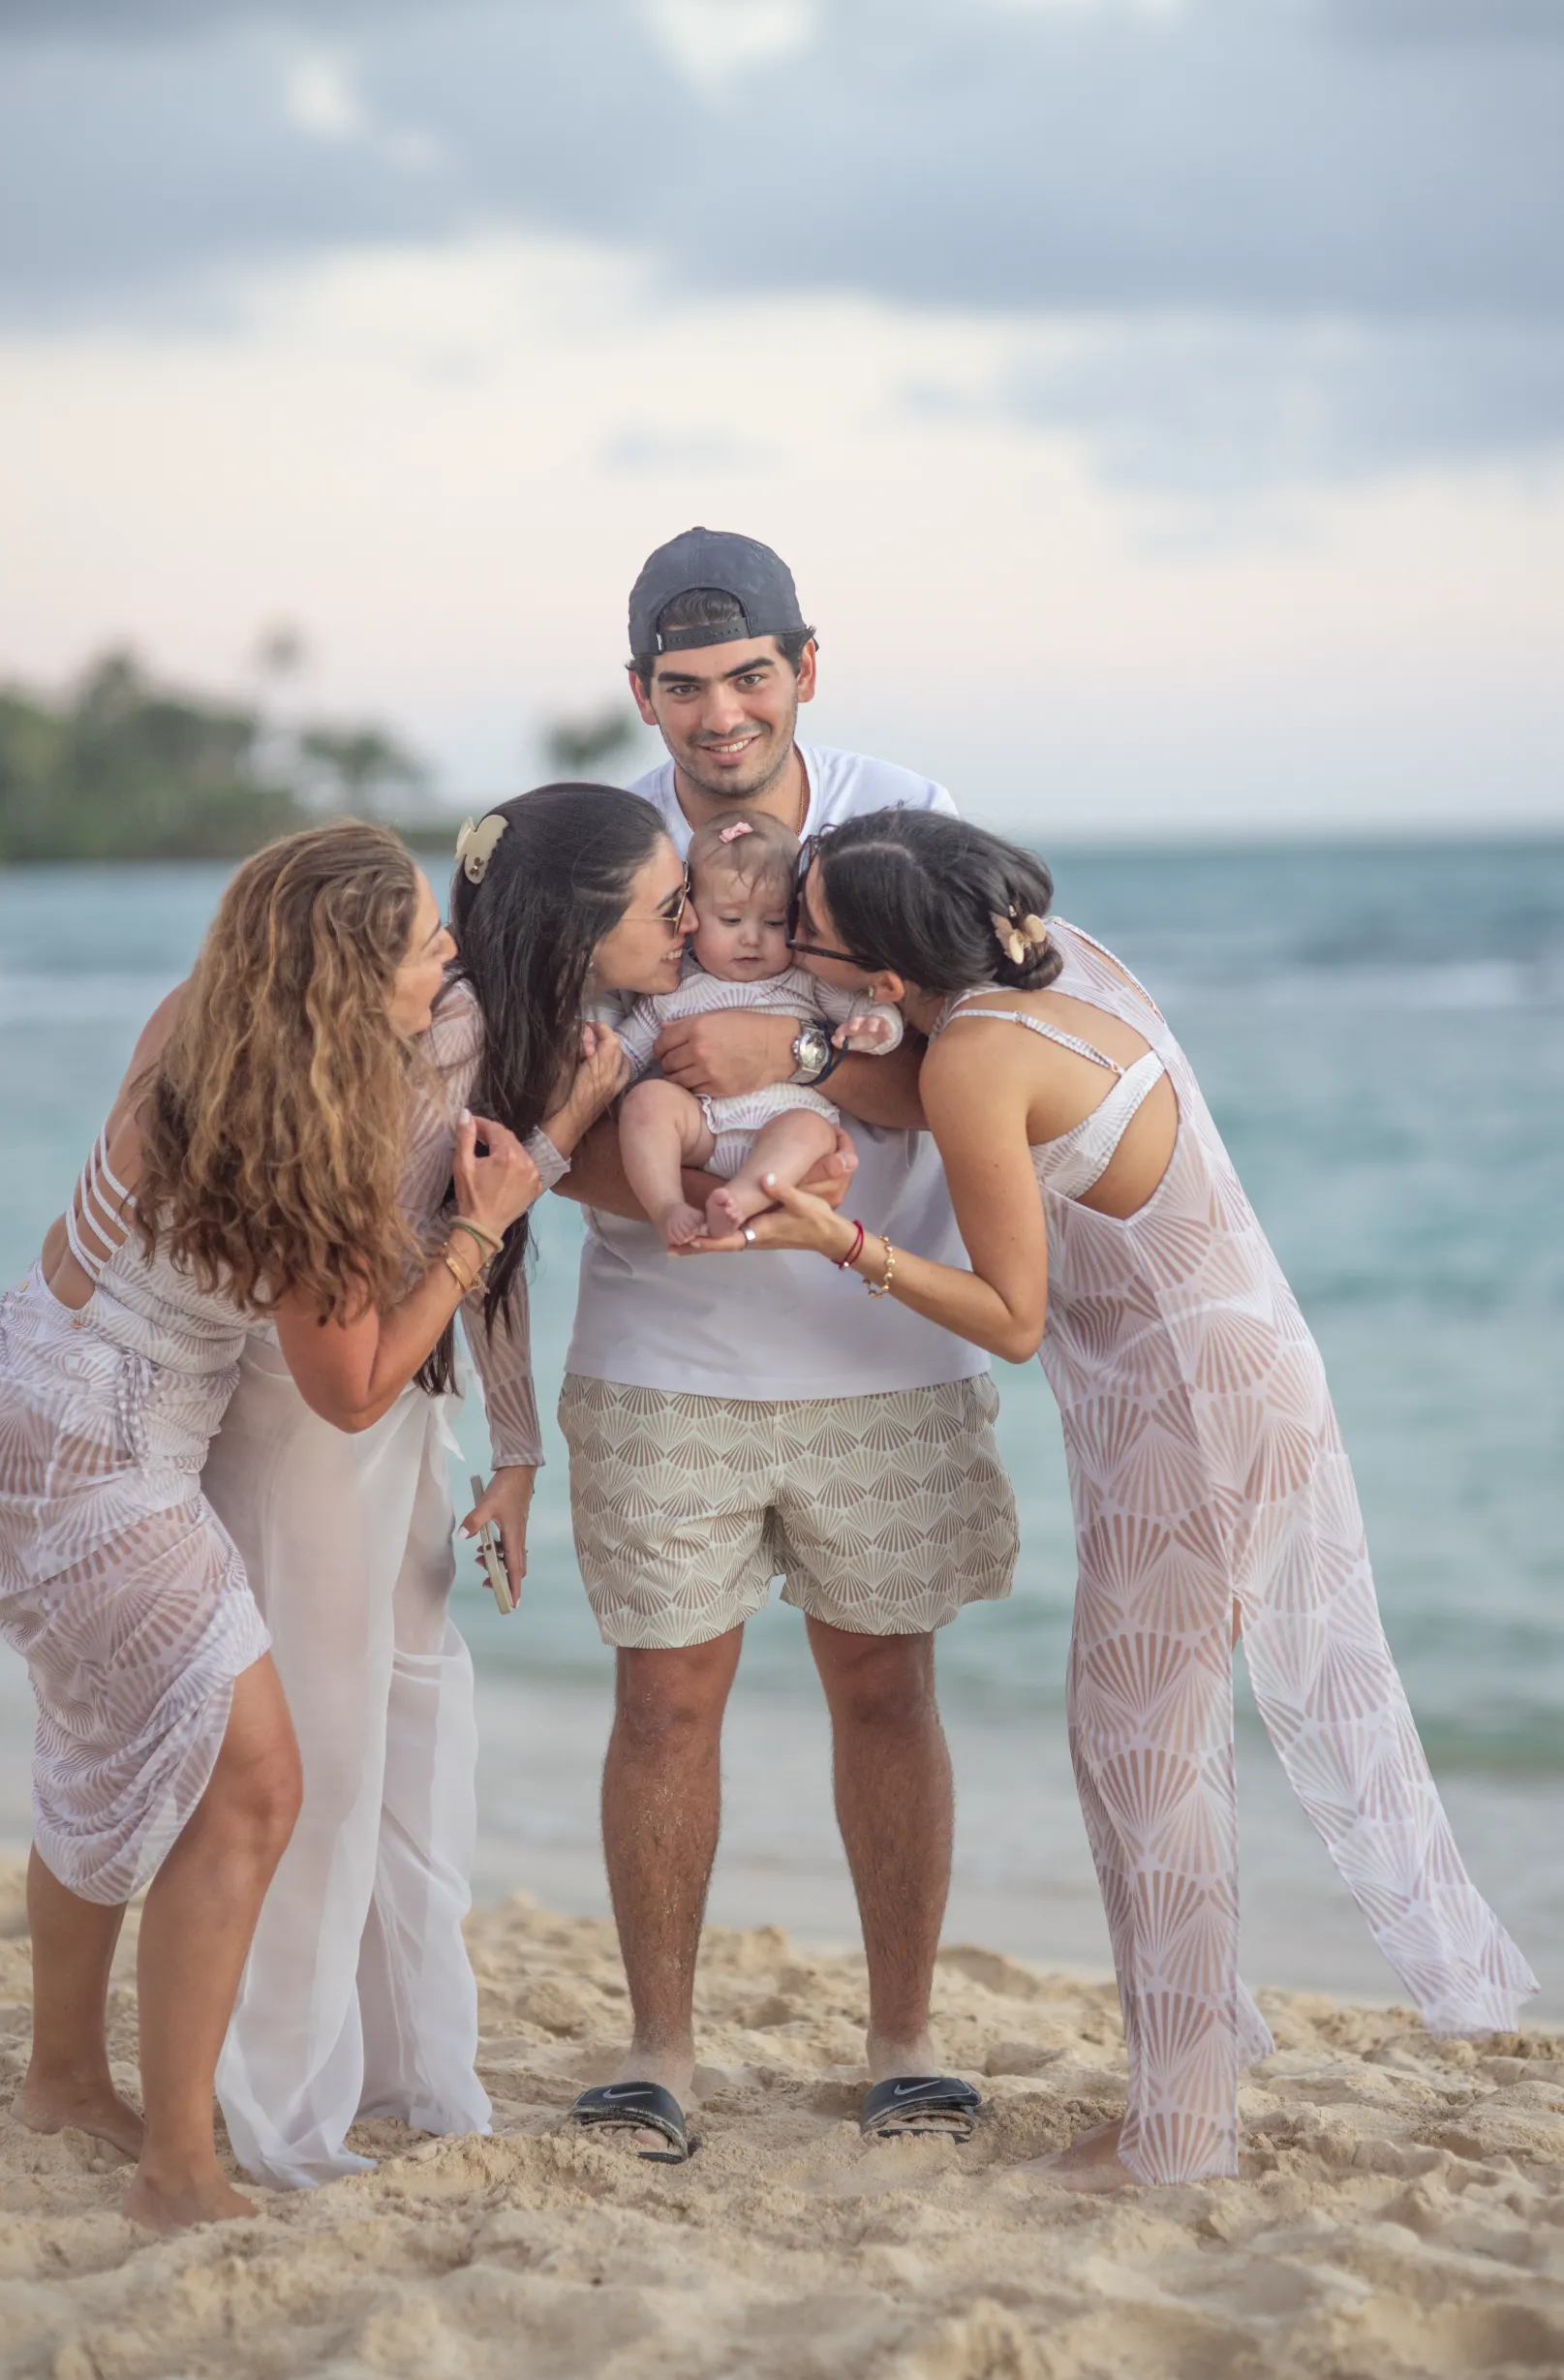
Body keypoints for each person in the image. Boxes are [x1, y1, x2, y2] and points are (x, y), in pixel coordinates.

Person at [703, 805, 1537, 2189]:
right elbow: (938, 1091)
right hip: (1241, 1364)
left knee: (1141, 1753)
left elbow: (1012, 1317)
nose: (789, 937)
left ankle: (1176, 2132)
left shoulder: (970, 1055)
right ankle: (1203, 2041)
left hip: (1188, 1413)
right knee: (1139, 1743)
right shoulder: (1058, 963)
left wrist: (838, 1239)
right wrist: (807, 1052)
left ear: (891, 983)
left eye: (809, 931)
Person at [0, 822, 539, 2229]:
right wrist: (482, 1224)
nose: (450, 952)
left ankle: (60, 2078)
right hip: (99, 1456)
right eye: (424, 940)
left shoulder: (203, 1017)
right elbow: (350, 1390)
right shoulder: (317, 1122)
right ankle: (178, 2167)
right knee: (254, 1786)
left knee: (107, 1742)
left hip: (24, 1385)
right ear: (346, 980)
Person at [542, 529, 1020, 2162]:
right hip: (660, 1347)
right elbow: (549, 1116)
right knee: (661, 1703)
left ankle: (905, 2042)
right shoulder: (606, 851)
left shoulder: (901, 816)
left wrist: (789, 1040)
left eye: (748, 676)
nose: (719, 713)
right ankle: (654, 2053)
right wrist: (691, 1196)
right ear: (639, 695)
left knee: (885, 1688)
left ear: (803, 668)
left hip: (879, 1345)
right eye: (682, 687)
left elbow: (976, 1062)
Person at [204, 816, 627, 2192]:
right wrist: (557, 1135)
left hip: (403, 1411)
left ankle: (410, 2070)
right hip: (315, 1411)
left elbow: (486, 1242)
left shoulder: (517, 1031)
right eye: (665, 905)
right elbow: (458, 1232)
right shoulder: (426, 1043)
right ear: (579, 921)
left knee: (415, 1739)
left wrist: (512, 1451)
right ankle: (282, 2107)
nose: (684, 930)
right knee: (322, 1761)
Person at [615, 807, 902, 1246]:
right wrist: (599, 1054)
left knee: (812, 1129)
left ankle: (739, 1200)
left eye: (772, 922)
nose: (751, 937)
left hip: (783, 1129)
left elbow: (868, 1010)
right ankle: (668, 1204)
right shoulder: (673, 989)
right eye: (731, 920)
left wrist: (877, 1027)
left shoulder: (808, 981)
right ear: (691, 918)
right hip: (702, 1129)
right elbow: (625, 1057)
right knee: (647, 1101)